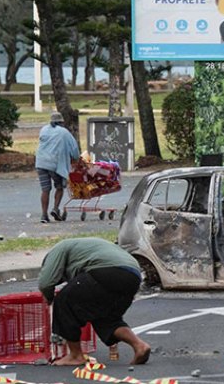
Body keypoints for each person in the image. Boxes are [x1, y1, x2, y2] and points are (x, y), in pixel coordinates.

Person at [38, 238, 151, 366]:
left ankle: (75, 356)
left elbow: (45, 283)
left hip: (107, 270)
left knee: (64, 301)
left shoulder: (57, 251)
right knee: (106, 318)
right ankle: (140, 346)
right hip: (133, 276)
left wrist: (49, 298)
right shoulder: (83, 249)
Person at [35, 112, 80, 223]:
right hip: (55, 164)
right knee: (59, 187)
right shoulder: (64, 132)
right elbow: (74, 150)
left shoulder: (44, 129)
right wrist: (76, 159)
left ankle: (44, 215)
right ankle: (55, 208)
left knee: (45, 189)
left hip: (41, 163)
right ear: (61, 122)